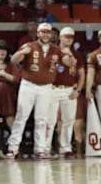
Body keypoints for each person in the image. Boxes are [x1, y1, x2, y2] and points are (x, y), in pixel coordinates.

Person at [6, 23, 74, 159]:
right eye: (43, 32)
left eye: (48, 32)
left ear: (51, 35)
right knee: (21, 116)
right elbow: (13, 61)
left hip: (46, 86)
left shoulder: (56, 50)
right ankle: (13, 148)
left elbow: (69, 63)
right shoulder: (29, 46)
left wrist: (69, 56)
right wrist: (21, 53)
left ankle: (40, 148)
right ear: (38, 34)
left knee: (42, 118)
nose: (45, 35)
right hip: (28, 85)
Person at [46, 27, 84, 158]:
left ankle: (66, 147)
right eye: (66, 36)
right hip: (53, 88)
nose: (69, 39)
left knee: (69, 120)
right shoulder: (52, 51)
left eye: (71, 37)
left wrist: (78, 90)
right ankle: (45, 147)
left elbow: (81, 74)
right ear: (60, 37)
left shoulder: (76, 54)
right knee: (50, 120)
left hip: (69, 89)